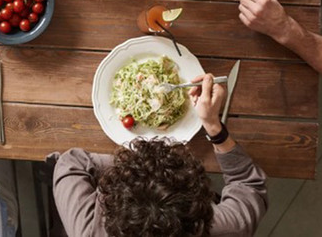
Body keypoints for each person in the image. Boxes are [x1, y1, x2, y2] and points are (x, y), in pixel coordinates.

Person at [51, 74, 267, 236]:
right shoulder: (227, 227)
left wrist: (129, 169)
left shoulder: (87, 230)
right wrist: (214, 127)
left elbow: (70, 163)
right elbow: (249, 186)